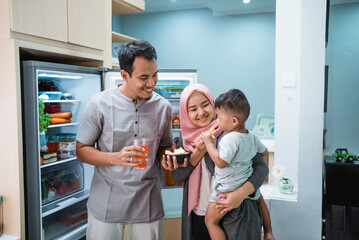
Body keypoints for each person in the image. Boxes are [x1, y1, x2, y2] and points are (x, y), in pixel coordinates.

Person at [76, 40, 173, 240]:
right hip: (107, 197)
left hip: (147, 198)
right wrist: (115, 158)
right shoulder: (98, 104)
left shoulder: (163, 107)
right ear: (124, 75)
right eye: (144, 77)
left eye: (155, 75)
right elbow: (81, 150)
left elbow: (164, 145)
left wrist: (166, 157)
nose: (152, 83)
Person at [162, 84, 274, 240]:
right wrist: (199, 152)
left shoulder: (231, 133)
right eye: (193, 109)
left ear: (213, 105)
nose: (201, 112)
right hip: (198, 214)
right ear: (185, 113)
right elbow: (178, 176)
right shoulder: (184, 141)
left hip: (232, 211)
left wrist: (239, 194)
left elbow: (262, 168)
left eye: (205, 104)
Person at [200, 89, 272, 240]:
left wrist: (208, 143)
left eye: (219, 117)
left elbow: (220, 162)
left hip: (226, 188)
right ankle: (269, 232)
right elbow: (265, 153)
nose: (216, 120)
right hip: (246, 183)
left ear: (234, 121)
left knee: (211, 221)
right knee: (260, 200)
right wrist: (258, 179)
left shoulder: (230, 139)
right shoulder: (252, 136)